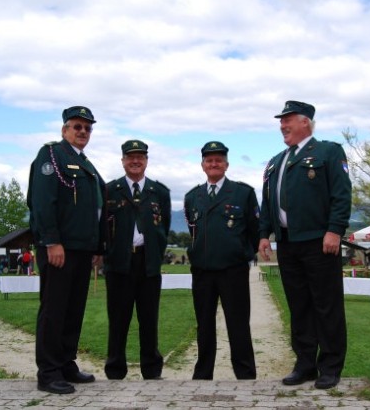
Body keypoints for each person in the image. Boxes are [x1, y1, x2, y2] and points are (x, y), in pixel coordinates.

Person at [258, 101, 352, 389]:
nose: (282, 126)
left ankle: (330, 366)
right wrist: (264, 234)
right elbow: (268, 202)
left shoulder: (328, 152)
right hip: (288, 243)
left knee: (326, 305)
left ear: (305, 122)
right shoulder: (275, 161)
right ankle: (305, 364)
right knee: (299, 307)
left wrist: (334, 230)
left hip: (319, 241)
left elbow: (341, 194)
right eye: (281, 121)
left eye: (287, 120)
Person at [27, 105, 107, 394]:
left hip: (82, 249)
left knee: (74, 309)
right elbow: (42, 201)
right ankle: (48, 373)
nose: (83, 132)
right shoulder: (51, 154)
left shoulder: (85, 163)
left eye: (87, 128)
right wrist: (52, 241)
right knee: (54, 309)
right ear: (64, 130)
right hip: (60, 248)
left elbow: (93, 210)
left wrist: (97, 246)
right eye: (77, 126)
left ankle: (65, 363)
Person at [184, 141, 259, 380]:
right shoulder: (192, 196)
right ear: (203, 165)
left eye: (218, 160)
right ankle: (203, 373)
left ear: (226, 164)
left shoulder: (243, 193)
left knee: (238, 325)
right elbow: (192, 230)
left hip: (233, 270)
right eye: (209, 160)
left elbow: (254, 230)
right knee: (204, 325)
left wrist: (241, 253)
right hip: (203, 271)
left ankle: (245, 373)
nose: (213, 163)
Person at [102, 139, 171, 380]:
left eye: (140, 157)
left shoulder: (159, 192)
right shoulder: (109, 190)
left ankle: (151, 369)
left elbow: (164, 228)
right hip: (119, 263)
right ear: (122, 161)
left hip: (148, 264)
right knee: (118, 319)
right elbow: (102, 228)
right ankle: (115, 369)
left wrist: (155, 254)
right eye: (130, 157)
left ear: (146, 161)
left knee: (149, 319)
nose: (135, 161)